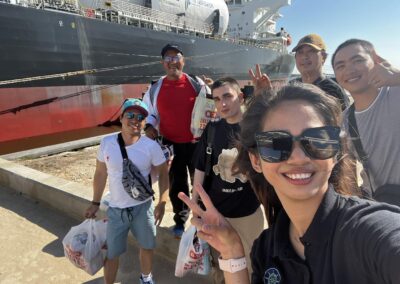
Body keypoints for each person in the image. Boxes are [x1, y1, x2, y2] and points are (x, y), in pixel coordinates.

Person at [178, 84, 400, 283]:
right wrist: (233, 251)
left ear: (335, 152)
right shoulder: (265, 249)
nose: (299, 157)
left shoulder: (371, 234)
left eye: (316, 139)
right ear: (256, 161)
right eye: (276, 143)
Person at [85, 99, 169, 284]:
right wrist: (95, 203)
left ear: (145, 122)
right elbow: (100, 173)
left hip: (143, 207)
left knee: (147, 246)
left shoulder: (151, 146)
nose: (135, 120)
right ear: (121, 118)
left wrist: (163, 202)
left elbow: (163, 173)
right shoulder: (107, 142)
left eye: (140, 117)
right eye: (130, 115)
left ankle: (146, 278)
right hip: (116, 210)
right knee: (113, 253)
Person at [192, 77, 264, 283]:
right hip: (216, 213)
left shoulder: (254, 129)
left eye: (227, 96)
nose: (222, 104)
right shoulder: (212, 129)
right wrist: (195, 206)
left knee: (249, 267)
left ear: (240, 97)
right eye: (216, 99)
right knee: (222, 267)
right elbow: (200, 168)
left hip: (248, 214)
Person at [142, 43, 209, 238]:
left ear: (183, 61)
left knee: (201, 185)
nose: (173, 62)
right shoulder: (155, 88)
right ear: (163, 63)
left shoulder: (197, 84)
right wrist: (149, 126)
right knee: (177, 185)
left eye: (176, 58)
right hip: (171, 145)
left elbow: (209, 107)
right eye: (168, 59)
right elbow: (150, 113)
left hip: (197, 144)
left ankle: (202, 221)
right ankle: (180, 221)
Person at [331, 39, 400, 205]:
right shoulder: (346, 120)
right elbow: (349, 171)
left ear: (376, 62)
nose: (349, 70)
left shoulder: (397, 92)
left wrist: (397, 77)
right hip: (384, 207)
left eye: (358, 60)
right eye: (340, 66)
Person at [249, 34, 349, 110]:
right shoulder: (292, 86)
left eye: (311, 51)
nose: (304, 56)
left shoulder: (332, 91)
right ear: (295, 57)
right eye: (300, 52)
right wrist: (264, 95)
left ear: (324, 57)